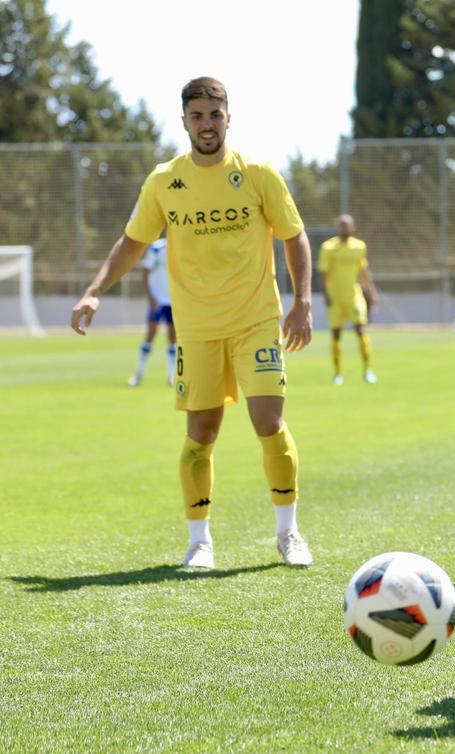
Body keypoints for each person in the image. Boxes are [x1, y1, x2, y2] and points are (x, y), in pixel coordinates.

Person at [70, 77, 314, 570]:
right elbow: (132, 243)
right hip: (197, 328)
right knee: (201, 434)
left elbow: (295, 236)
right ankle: (199, 541)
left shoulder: (259, 173)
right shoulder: (164, 180)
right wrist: (95, 290)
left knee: (268, 422)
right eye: (197, 116)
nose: (207, 124)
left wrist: (302, 301)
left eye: (214, 114)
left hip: (256, 321)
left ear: (229, 117)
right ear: (184, 121)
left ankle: (288, 533)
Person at [318, 214, 378, 385]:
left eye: (347, 225)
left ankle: (368, 370)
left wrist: (371, 294)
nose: (344, 229)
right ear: (337, 227)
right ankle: (338, 373)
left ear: (353, 228)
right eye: (341, 225)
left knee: (361, 329)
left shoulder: (359, 247)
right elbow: (322, 274)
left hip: (354, 296)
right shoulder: (328, 248)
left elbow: (363, 272)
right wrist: (326, 295)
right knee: (336, 335)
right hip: (335, 298)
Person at [128, 238, 176, 387]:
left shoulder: (184, 245)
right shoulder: (156, 248)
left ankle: (171, 376)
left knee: (173, 338)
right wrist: (150, 296)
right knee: (150, 334)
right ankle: (138, 374)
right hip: (158, 300)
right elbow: (145, 271)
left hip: (174, 301)